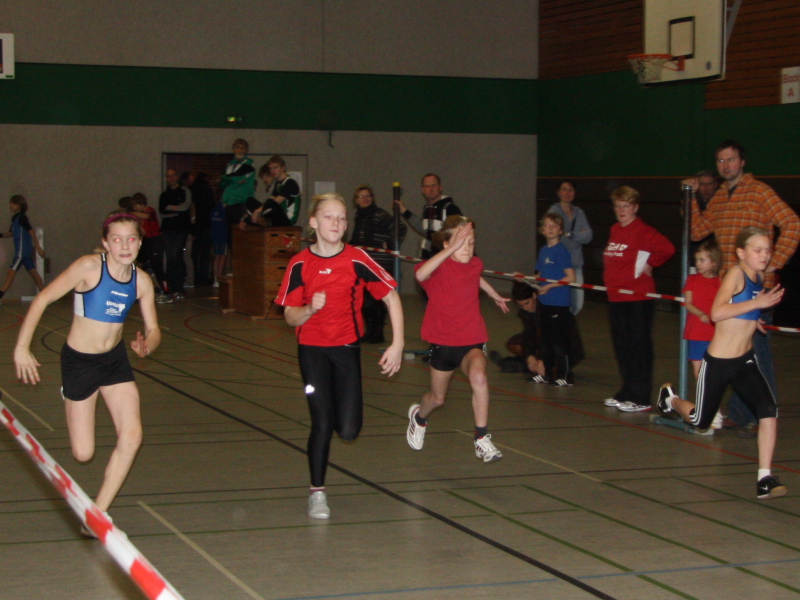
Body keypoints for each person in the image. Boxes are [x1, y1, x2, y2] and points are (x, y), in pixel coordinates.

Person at [14, 210, 161, 531]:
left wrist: (147, 345)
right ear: (105, 243)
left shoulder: (141, 281)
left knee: (132, 436)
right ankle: (70, 393)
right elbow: (42, 299)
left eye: (131, 239)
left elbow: (153, 329)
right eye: (117, 239)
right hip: (80, 362)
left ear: (140, 242)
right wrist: (22, 347)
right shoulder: (89, 267)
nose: (125, 245)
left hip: (114, 361)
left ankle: (97, 515)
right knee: (83, 453)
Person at [275, 193, 404, 519]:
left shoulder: (357, 258)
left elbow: (391, 297)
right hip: (312, 350)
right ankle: (317, 492)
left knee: (348, 430)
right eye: (329, 216)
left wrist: (398, 344)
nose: (337, 223)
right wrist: (308, 309)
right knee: (321, 422)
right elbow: (289, 315)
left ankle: (333, 406)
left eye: (342, 218)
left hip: (346, 349)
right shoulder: (299, 263)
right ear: (314, 222)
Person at [657, 227, 786, 500]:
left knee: (768, 410)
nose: (764, 255)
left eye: (767, 250)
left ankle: (765, 478)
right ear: (741, 252)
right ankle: (670, 399)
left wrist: (754, 318)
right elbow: (717, 312)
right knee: (701, 420)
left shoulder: (758, 276)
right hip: (718, 362)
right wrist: (758, 304)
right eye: (757, 250)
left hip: (745, 360)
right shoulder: (735, 274)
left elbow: (743, 308)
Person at [685, 140, 800, 433]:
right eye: (721, 161)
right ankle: (743, 412)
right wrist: (691, 197)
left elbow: (792, 224)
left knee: (757, 353)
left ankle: (763, 414)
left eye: (731, 159)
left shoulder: (760, 192)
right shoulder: (719, 196)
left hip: (756, 290)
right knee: (738, 354)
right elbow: (697, 231)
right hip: (729, 288)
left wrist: (775, 262)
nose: (726, 166)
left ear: (742, 162)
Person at [406, 215, 510, 463]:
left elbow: (474, 275)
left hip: (471, 339)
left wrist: (492, 293)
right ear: (447, 244)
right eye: (462, 243)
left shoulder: (475, 263)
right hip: (443, 343)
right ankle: (419, 418)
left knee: (479, 377)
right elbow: (420, 275)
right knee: (437, 399)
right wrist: (451, 248)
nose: (468, 248)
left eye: (471, 242)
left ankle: (481, 438)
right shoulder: (437, 268)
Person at [603, 186, 675, 412]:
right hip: (616, 298)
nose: (621, 210)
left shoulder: (643, 231)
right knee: (622, 348)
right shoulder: (615, 229)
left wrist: (650, 263)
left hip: (637, 298)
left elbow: (667, 249)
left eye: (626, 206)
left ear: (635, 207)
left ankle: (641, 397)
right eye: (617, 206)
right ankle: (627, 390)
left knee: (638, 348)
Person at [348, 184, 407, 343]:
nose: (365, 199)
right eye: (361, 196)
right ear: (356, 200)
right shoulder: (359, 217)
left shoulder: (380, 215)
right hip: (364, 263)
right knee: (364, 299)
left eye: (368, 196)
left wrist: (392, 244)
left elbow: (400, 227)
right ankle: (371, 331)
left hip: (380, 264)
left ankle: (377, 333)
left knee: (377, 299)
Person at [528, 212, 576, 387]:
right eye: (547, 225)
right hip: (545, 302)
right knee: (546, 341)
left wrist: (549, 286)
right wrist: (524, 278)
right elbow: (539, 275)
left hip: (559, 303)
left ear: (561, 230)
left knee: (559, 342)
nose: (550, 229)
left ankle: (565, 375)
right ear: (542, 229)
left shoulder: (561, 251)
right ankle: (546, 373)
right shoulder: (543, 251)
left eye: (554, 226)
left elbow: (571, 277)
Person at [681, 240, 724, 433]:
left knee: (714, 372)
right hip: (697, 331)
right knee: (699, 373)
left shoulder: (720, 282)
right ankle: (707, 408)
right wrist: (700, 314)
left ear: (713, 262)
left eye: (702, 260)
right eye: (697, 260)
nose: (698, 263)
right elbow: (688, 303)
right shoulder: (692, 280)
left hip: (715, 333)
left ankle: (714, 409)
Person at [548, 181, 593, 315]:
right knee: (561, 302)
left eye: (571, 189)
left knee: (577, 304)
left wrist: (569, 234)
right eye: (564, 189)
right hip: (559, 265)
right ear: (558, 193)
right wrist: (578, 235)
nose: (567, 192)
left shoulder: (579, 212)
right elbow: (553, 236)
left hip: (576, 264)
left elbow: (588, 236)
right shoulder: (553, 212)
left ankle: (567, 324)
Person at [396, 173, 462, 260]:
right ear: (423, 190)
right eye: (427, 186)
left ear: (440, 188)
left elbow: (461, 234)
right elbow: (424, 229)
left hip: (445, 260)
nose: (431, 189)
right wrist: (404, 211)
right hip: (429, 259)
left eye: (433, 185)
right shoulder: (427, 208)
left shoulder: (450, 208)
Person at [488, 280, 544, 376]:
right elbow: (528, 335)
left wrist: (542, 359)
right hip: (538, 339)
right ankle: (522, 364)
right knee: (514, 344)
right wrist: (529, 355)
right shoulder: (523, 313)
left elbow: (550, 338)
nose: (525, 308)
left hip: (554, 343)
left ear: (534, 296)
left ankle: (515, 365)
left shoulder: (546, 309)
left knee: (549, 368)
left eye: (527, 303)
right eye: (521, 305)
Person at [0, 195, 46, 304]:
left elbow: (31, 232)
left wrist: (38, 248)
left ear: (19, 205)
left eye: (13, 203)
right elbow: (11, 233)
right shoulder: (15, 218)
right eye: (10, 203)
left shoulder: (22, 218)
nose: (11, 205)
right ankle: (45, 295)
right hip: (24, 253)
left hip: (22, 252)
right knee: (34, 273)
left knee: (11, 272)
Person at [130, 192, 169, 303]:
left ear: (141, 203)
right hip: (147, 242)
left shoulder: (150, 210)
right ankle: (155, 291)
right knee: (143, 267)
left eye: (135, 205)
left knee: (158, 268)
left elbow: (146, 216)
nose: (134, 208)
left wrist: (130, 212)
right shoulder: (138, 215)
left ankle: (166, 292)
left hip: (155, 241)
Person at [159, 168, 192, 300]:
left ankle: (178, 288)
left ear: (177, 177)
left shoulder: (185, 191)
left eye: (173, 175)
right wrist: (176, 210)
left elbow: (185, 207)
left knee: (176, 257)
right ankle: (171, 288)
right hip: (167, 230)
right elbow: (162, 211)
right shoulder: (164, 195)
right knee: (170, 258)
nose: (171, 178)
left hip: (181, 230)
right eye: (168, 176)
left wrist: (170, 208)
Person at [249, 156, 301, 226]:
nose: (273, 171)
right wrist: (257, 211)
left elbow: (276, 201)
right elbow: (271, 198)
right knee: (250, 201)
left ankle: (263, 220)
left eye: (275, 167)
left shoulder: (290, 182)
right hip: (277, 215)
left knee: (270, 203)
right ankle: (259, 219)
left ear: (283, 168)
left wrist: (258, 211)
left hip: (288, 219)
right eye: (270, 168)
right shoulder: (277, 184)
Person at [219, 139, 256, 233]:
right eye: (238, 147)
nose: (240, 150)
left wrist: (224, 177)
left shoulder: (249, 162)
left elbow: (239, 179)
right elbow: (223, 184)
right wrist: (227, 179)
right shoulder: (230, 164)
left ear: (247, 150)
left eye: (243, 148)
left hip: (242, 201)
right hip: (229, 202)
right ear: (233, 149)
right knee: (230, 233)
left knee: (241, 233)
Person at [190, 172, 215, 286]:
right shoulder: (208, 190)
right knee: (205, 253)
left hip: (195, 226)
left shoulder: (192, 189)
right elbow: (212, 207)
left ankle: (194, 277)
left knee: (195, 254)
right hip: (206, 224)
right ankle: (203, 278)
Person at [210, 194, 227, 287]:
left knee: (217, 256)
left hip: (215, 234)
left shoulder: (215, 208)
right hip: (223, 235)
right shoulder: (224, 208)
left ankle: (215, 278)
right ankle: (219, 278)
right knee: (222, 256)